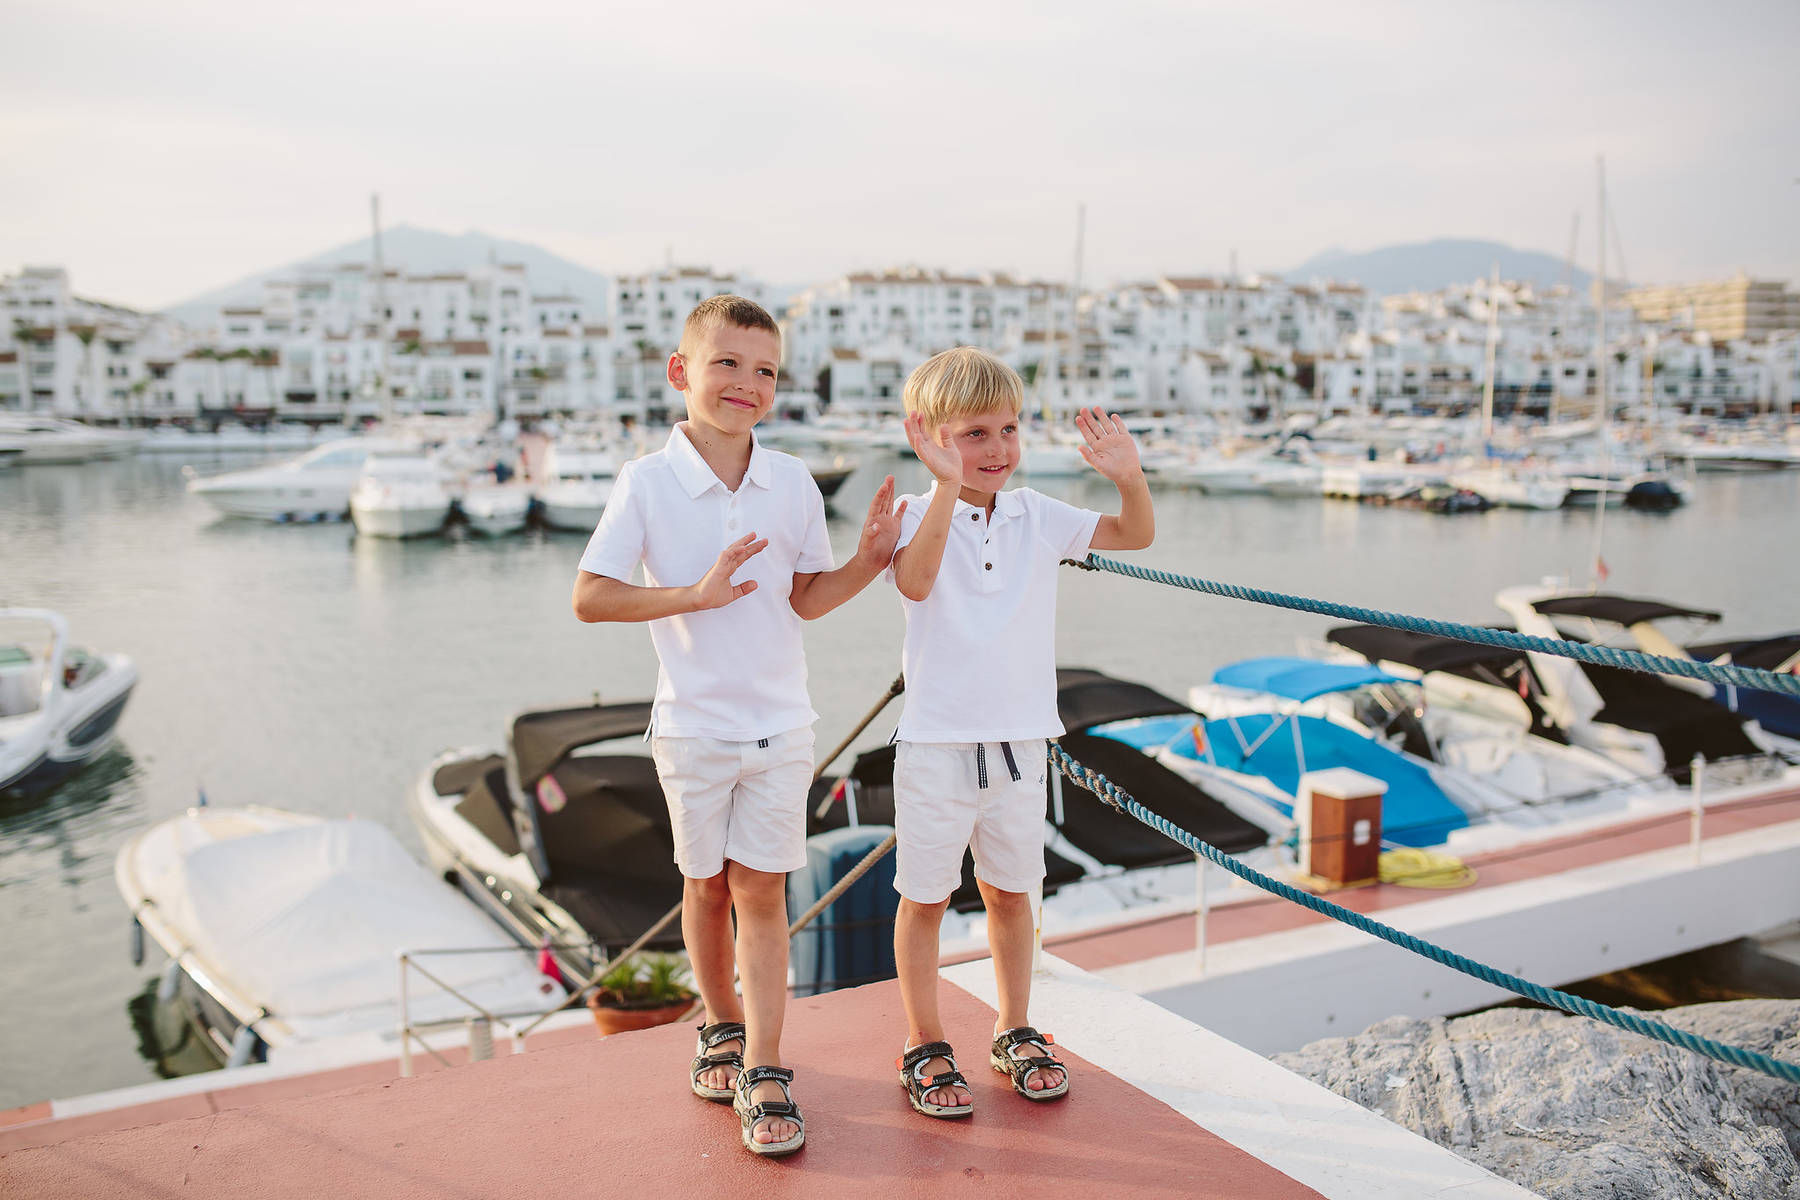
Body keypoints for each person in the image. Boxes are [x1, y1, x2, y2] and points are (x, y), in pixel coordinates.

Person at [572, 295, 905, 1157]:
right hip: (690, 728)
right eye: (727, 363)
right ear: (683, 372)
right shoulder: (647, 481)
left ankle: (762, 1064)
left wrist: (869, 561)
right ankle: (717, 1025)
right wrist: (695, 594)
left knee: (761, 891)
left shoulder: (792, 480)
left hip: (781, 725)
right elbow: (590, 596)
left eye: (764, 370)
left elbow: (807, 598)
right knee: (706, 886)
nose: (746, 384)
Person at [885, 347, 1153, 1118]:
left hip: (1021, 741)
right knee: (925, 899)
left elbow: (1132, 535)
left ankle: (1015, 1024)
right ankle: (924, 1041)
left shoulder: (1038, 515)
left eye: (1008, 429)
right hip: (937, 743)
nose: (996, 449)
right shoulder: (911, 513)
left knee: (1012, 895)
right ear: (930, 435)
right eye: (974, 433)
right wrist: (942, 486)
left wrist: (1127, 475)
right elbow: (916, 581)